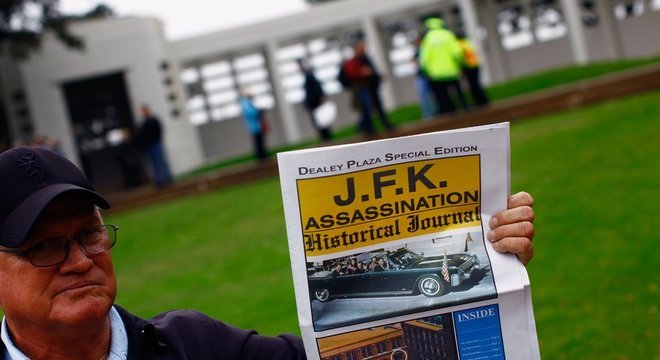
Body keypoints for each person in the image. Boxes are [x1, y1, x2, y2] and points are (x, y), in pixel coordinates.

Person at [0, 146, 535, 359]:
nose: (78, 260)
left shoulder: (196, 346)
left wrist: (490, 267)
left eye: (89, 234)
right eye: (43, 246)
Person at [342, 40, 394, 136]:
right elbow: (354, 73)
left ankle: (383, 126)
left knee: (376, 107)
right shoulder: (354, 60)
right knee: (367, 108)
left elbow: (372, 71)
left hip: (371, 87)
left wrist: (377, 77)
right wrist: (363, 72)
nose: (364, 48)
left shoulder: (365, 58)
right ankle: (368, 129)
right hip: (363, 88)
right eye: (361, 47)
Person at [419, 17, 469, 114]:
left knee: (443, 96)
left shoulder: (428, 38)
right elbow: (457, 52)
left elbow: (424, 58)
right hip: (452, 71)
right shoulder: (448, 35)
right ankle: (465, 109)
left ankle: (450, 114)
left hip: (436, 74)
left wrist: (425, 70)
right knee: (459, 92)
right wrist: (461, 64)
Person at [136, 105, 173, 188]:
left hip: (156, 144)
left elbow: (158, 131)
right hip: (149, 146)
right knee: (154, 164)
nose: (143, 113)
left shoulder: (153, 120)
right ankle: (159, 181)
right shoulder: (143, 123)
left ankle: (167, 179)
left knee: (161, 162)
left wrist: (156, 140)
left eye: (144, 111)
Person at [298, 59, 332, 141]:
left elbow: (317, 88)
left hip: (315, 104)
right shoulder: (307, 76)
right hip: (313, 104)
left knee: (321, 122)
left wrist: (321, 98)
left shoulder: (309, 75)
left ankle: (326, 139)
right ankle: (325, 139)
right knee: (320, 122)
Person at [456, 32, 490, 107]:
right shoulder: (467, 42)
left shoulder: (459, 45)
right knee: (476, 85)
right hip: (475, 65)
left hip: (468, 66)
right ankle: (483, 101)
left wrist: (461, 67)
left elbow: (460, 57)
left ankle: (480, 103)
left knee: (473, 86)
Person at [239, 93, 269, 161]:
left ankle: (263, 156)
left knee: (260, 142)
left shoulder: (247, 103)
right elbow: (251, 113)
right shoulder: (246, 104)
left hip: (256, 126)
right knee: (258, 142)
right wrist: (259, 111)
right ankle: (261, 157)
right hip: (255, 127)